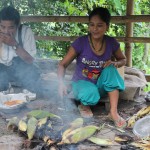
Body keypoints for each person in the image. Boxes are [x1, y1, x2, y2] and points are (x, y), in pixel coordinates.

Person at [58, 7, 127, 128]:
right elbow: (62, 64)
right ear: (89, 26)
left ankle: (113, 112)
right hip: (82, 82)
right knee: (90, 93)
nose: (95, 29)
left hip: (101, 84)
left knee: (110, 69)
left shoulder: (111, 43)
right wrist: (60, 83)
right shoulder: (80, 43)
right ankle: (83, 104)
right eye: (92, 25)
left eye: (99, 25)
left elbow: (123, 60)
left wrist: (115, 63)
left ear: (107, 26)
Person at [0, 6, 43, 96]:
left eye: (11, 27)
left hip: (22, 70)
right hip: (2, 70)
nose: (6, 31)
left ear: (18, 25)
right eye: (2, 27)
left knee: (31, 77)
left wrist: (14, 44)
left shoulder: (26, 32)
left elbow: (30, 60)